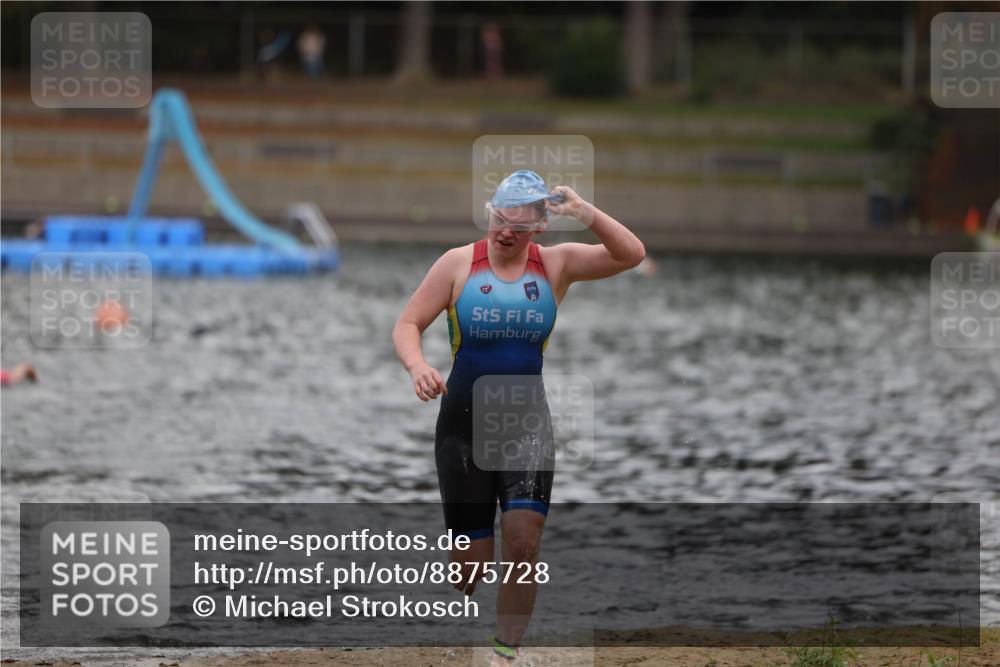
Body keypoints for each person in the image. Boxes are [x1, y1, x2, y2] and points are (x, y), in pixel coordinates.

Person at [393, 170, 645, 663]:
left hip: (526, 424)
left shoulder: (557, 265)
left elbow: (631, 254)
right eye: (498, 220)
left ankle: (505, 652)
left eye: (518, 226)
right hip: (462, 425)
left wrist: (586, 212)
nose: (505, 233)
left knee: (524, 541)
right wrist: (418, 365)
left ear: (540, 228)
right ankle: (444, 631)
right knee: (471, 568)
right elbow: (407, 323)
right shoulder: (458, 264)